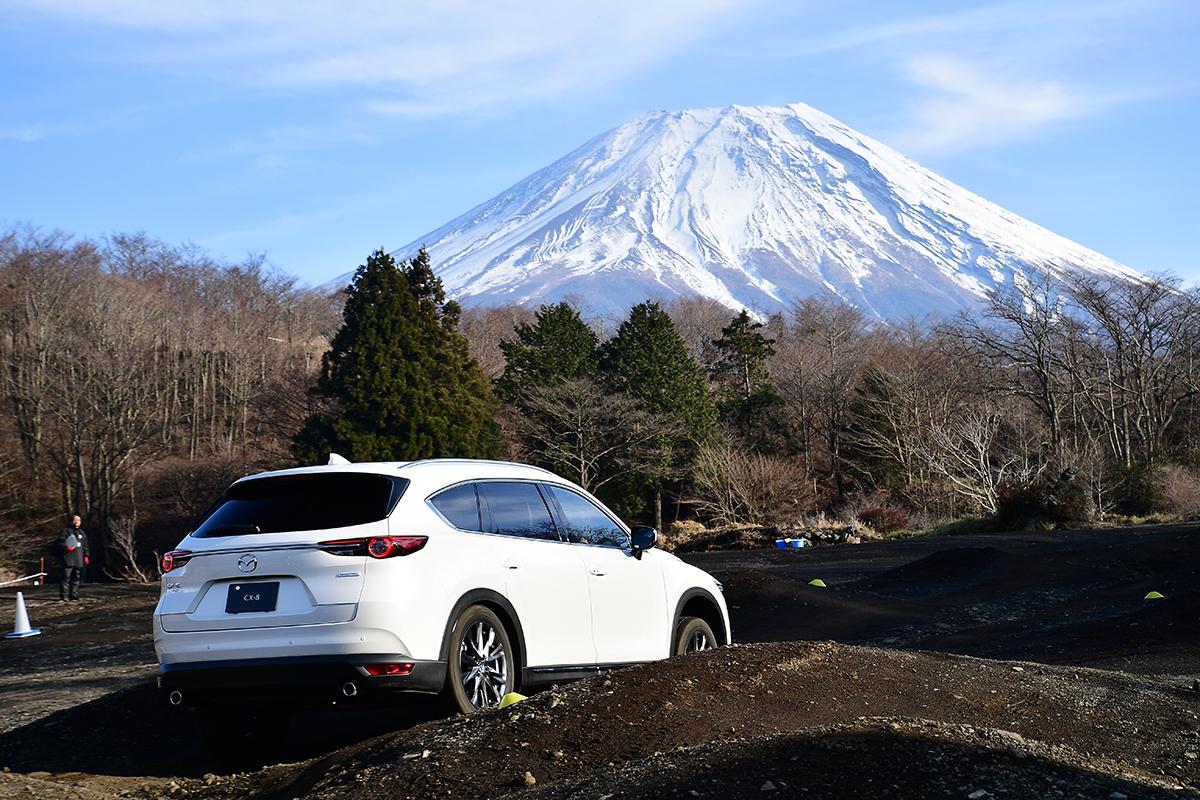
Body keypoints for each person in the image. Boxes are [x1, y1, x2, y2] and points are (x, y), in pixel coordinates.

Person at [54, 513, 89, 601]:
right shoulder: (66, 531)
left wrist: (86, 556)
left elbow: (85, 546)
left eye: (79, 520)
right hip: (68, 559)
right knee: (66, 577)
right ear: (72, 521)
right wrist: (66, 548)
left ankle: (74, 595)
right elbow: (59, 542)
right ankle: (64, 596)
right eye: (76, 520)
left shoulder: (82, 532)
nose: (78, 522)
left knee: (76, 578)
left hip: (79, 559)